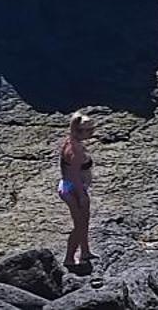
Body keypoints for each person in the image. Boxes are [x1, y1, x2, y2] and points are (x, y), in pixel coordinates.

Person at [58, 113, 96, 270]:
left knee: (84, 222)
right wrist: (81, 196)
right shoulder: (75, 151)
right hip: (73, 189)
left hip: (74, 187)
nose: (92, 132)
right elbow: (74, 175)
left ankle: (85, 252)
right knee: (79, 225)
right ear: (79, 131)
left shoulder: (72, 141)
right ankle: (69, 258)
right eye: (89, 130)